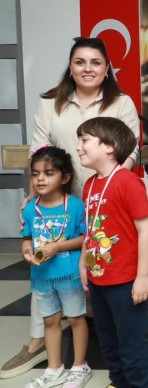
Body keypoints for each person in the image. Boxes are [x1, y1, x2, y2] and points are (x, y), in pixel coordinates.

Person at [1, 37, 140, 381]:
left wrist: (112, 185)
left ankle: (108, 335)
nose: (88, 68)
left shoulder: (121, 102)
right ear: (71, 67)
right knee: (47, 263)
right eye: (80, 62)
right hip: (59, 200)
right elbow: (39, 152)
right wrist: (34, 193)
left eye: (96, 62)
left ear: (107, 69)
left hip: (106, 200)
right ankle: (38, 341)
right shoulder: (51, 102)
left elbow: (132, 150)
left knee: (103, 262)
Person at [77, 117, 148, 388]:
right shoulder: (89, 185)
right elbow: (90, 229)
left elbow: (145, 230)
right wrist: (83, 264)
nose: (78, 147)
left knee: (131, 343)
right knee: (108, 341)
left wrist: (142, 277)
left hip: (125, 281)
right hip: (98, 278)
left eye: (85, 140)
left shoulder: (128, 182)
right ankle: (118, 382)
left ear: (109, 146)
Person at [21, 147, 90, 388]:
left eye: (48, 173)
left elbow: (85, 238)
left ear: (65, 177)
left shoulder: (75, 206)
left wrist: (58, 247)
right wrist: (26, 251)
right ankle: (54, 368)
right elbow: (27, 238)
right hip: (42, 276)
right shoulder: (31, 208)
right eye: (35, 174)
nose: (40, 179)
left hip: (69, 275)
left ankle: (80, 366)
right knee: (50, 321)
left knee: (76, 319)